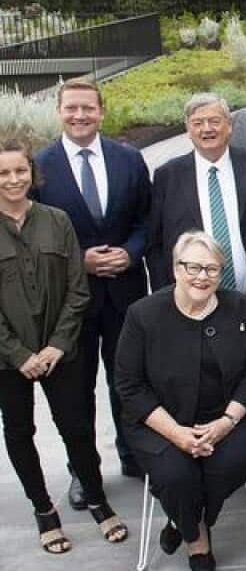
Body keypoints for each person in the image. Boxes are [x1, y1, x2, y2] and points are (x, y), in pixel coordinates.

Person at [0, 136, 126, 554]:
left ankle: (97, 499)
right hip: (7, 359)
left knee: (76, 426)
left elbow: (78, 290)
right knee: (19, 431)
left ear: (32, 174)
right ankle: (44, 511)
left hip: (61, 350)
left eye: (20, 170)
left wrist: (55, 346)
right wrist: (19, 354)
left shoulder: (57, 220)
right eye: (3, 173)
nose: (13, 179)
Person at [115, 231, 246, 571]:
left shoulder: (242, 307)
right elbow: (129, 384)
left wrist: (226, 422)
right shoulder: (143, 314)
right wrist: (178, 435)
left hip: (231, 418)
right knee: (176, 476)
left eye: (212, 269)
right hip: (160, 422)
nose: (203, 277)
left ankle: (179, 520)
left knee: (225, 467)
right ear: (175, 269)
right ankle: (197, 536)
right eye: (193, 267)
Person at [34, 78, 151, 496]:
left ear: (101, 111)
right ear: (59, 112)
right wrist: (79, 259)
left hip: (125, 293)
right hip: (69, 299)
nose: (80, 116)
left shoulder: (129, 160)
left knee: (130, 379)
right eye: (71, 109)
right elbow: (32, 233)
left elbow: (146, 219)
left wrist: (131, 253)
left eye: (88, 108)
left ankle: (135, 454)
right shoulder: (39, 166)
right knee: (76, 389)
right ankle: (82, 471)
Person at [148, 93, 246, 338]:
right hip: (190, 308)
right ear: (187, 129)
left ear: (229, 125)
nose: (207, 129)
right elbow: (155, 245)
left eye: (214, 121)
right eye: (197, 123)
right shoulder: (168, 175)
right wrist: (165, 299)